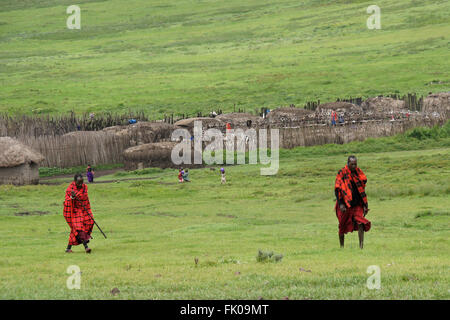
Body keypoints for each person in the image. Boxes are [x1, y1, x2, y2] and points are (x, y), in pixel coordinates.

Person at [334, 156, 370, 249]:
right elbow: (337, 189)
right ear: (348, 163)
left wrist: (365, 205)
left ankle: (361, 246)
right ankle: (341, 247)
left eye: (355, 164)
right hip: (345, 204)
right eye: (352, 164)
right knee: (342, 225)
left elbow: (362, 190)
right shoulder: (342, 173)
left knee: (360, 222)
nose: (354, 166)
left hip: (357, 204)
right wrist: (341, 203)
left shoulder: (358, 173)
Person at [63, 173, 94, 253]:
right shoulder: (70, 189)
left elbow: (85, 198)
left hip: (84, 209)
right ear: (74, 181)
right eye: (79, 182)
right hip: (74, 211)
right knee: (79, 228)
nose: (81, 184)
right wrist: (72, 197)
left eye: (82, 182)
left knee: (89, 222)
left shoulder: (84, 187)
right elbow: (67, 201)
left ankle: (68, 249)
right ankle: (86, 247)